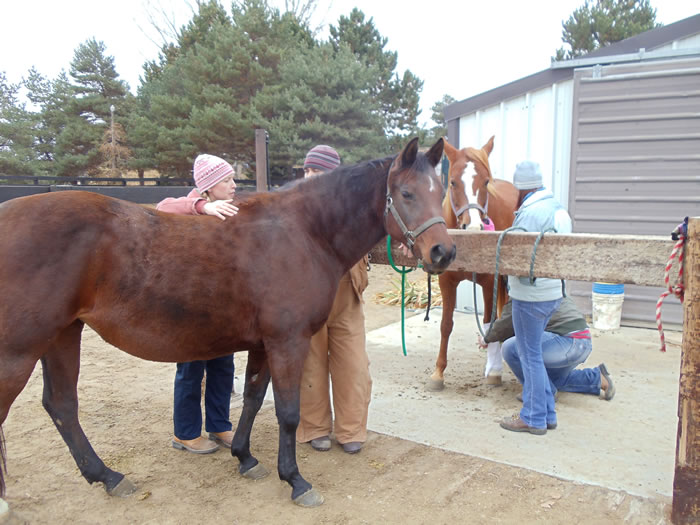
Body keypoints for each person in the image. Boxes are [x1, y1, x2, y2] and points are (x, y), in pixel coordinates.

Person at [156, 153, 239, 453]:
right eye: (227, 180)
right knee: (191, 370)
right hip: (191, 308)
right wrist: (203, 207)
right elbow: (162, 207)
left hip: (223, 305)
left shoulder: (229, 209)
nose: (233, 185)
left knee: (223, 367)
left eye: (232, 179)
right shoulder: (186, 207)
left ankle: (220, 425)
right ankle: (185, 433)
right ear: (209, 186)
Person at [296, 145, 373, 454]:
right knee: (310, 365)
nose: (311, 176)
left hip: (347, 295)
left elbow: (387, 221)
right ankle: (314, 427)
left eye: (319, 171)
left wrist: (405, 243)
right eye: (308, 170)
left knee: (353, 364)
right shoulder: (293, 204)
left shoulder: (357, 204)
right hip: (308, 297)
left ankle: (351, 429)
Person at [499, 161, 572, 436]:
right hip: (553, 293)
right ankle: (547, 414)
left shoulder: (530, 214)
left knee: (529, 356)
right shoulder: (557, 209)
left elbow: (514, 255)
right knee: (534, 355)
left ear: (520, 189)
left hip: (531, 296)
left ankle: (533, 417)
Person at [480, 296, 615, 401]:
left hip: (566, 342)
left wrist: (486, 338)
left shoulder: (523, 287)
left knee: (510, 348)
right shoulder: (551, 282)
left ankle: (541, 394)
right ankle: (596, 378)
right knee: (550, 380)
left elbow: (508, 322)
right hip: (582, 343)